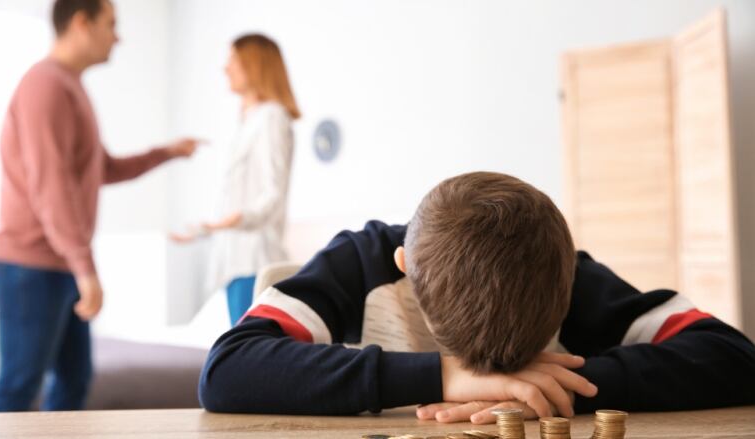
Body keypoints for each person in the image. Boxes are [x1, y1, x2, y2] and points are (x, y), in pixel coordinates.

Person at [197, 172, 755, 423]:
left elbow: (735, 358)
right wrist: (444, 378)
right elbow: (226, 370)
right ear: (406, 269)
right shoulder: (362, 259)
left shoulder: (562, 268)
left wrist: (553, 394)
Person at [0, 0, 201, 412]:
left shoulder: (69, 86)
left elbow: (102, 168)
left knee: (73, 380)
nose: (117, 37)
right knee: (18, 386)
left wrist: (167, 153)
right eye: (111, 25)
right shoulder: (45, 86)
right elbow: (51, 186)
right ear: (82, 23)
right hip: (30, 266)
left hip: (55, 264)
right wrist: (85, 267)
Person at [171, 34, 300, 326]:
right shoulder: (248, 122)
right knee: (242, 354)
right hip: (234, 262)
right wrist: (204, 229)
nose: (225, 68)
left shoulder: (272, 118)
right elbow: (237, 197)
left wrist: (222, 224)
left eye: (233, 60)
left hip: (254, 261)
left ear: (254, 64)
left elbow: (272, 196)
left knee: (249, 357)